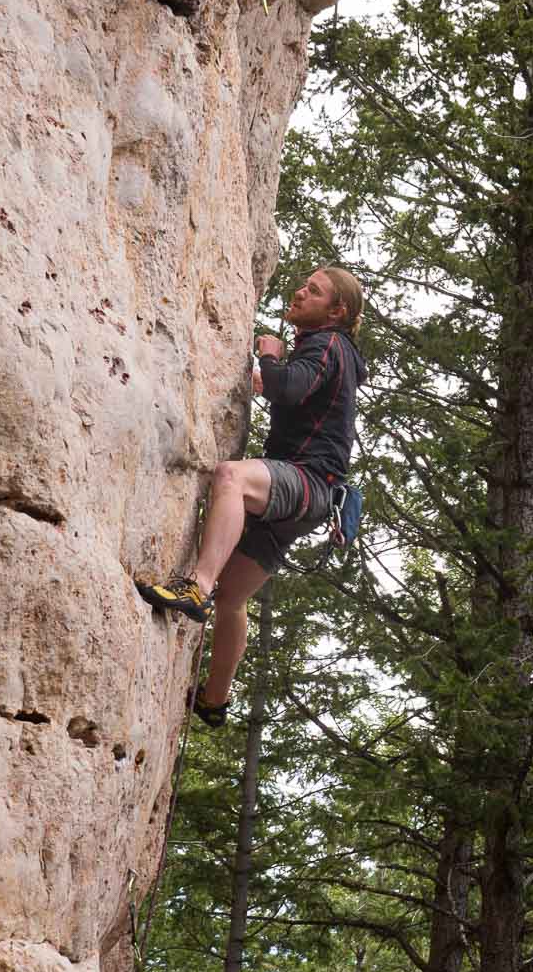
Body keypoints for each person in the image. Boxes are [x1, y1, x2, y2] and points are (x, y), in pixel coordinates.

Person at [136, 267, 367, 725]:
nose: (301, 292)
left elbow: (290, 386)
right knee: (234, 599)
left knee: (230, 479)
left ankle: (196, 586)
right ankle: (214, 699)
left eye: (314, 291)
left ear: (336, 312)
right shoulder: (332, 352)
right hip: (311, 498)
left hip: (306, 482)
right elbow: (300, 397)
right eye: (305, 285)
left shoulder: (328, 344)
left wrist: (270, 356)